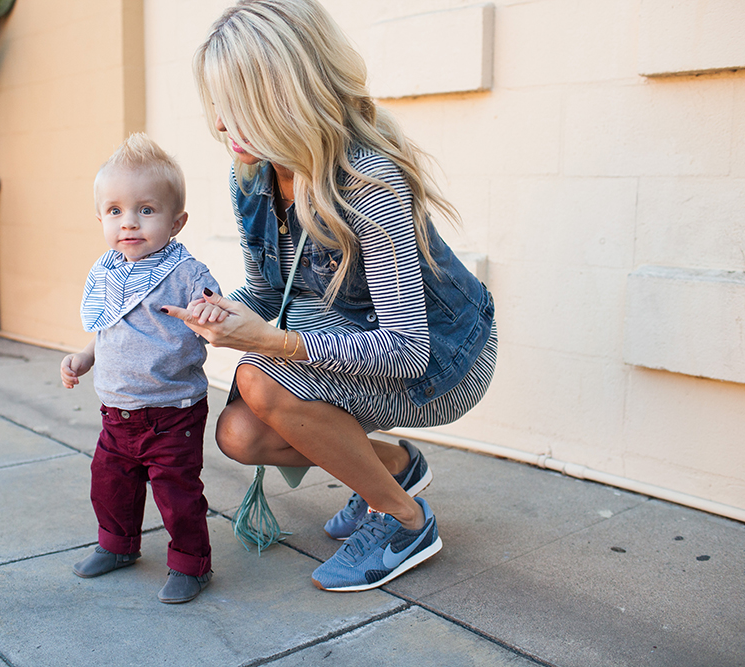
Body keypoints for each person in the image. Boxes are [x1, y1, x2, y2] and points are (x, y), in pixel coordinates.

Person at [163, 0, 497, 593]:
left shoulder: (370, 185)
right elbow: (269, 287)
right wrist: (210, 308)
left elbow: (408, 351)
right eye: (215, 107)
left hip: (445, 362)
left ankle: (404, 520)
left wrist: (275, 342)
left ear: (288, 95)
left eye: (236, 107)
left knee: (260, 377)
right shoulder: (254, 172)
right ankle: (396, 467)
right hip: (351, 334)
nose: (220, 125)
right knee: (240, 435)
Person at [61, 133, 221, 604]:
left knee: (178, 495)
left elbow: (213, 308)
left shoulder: (185, 272)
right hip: (117, 411)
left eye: (146, 210)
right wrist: (85, 357)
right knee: (110, 485)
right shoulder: (109, 272)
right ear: (101, 219)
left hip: (171, 412)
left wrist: (209, 312)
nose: (129, 222)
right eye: (115, 211)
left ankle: (192, 565)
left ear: (177, 221)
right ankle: (116, 545)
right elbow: (109, 327)